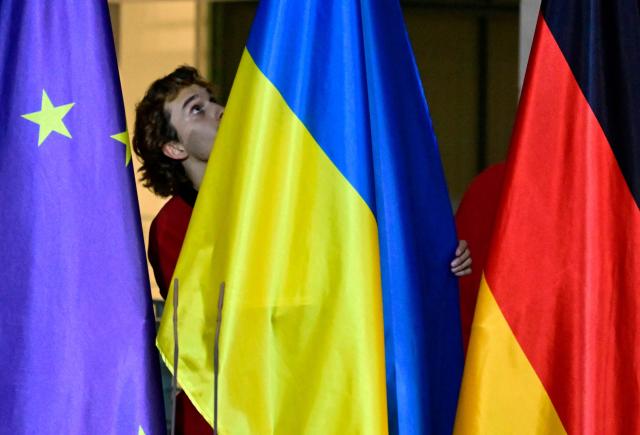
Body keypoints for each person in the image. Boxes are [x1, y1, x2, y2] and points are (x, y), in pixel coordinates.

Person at [132, 66, 472, 434]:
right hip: (223, 410)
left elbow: (345, 264)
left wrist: (432, 260)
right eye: (196, 109)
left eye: (213, 100)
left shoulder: (282, 196)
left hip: (301, 396)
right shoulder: (173, 224)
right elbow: (210, 316)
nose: (219, 109)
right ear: (174, 147)